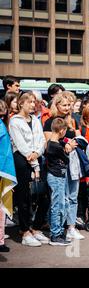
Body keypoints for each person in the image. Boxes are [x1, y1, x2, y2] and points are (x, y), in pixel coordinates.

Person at [9, 93, 49, 247]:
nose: (33, 105)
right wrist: (33, 161)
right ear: (21, 103)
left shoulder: (36, 120)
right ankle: (25, 231)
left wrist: (37, 153)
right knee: (24, 197)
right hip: (22, 160)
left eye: (34, 102)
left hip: (36, 157)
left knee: (42, 195)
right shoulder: (15, 121)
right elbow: (20, 145)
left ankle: (35, 228)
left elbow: (41, 140)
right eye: (30, 102)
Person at [46, 118, 72, 246]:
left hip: (58, 176)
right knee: (57, 205)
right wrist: (68, 150)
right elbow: (66, 159)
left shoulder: (53, 143)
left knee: (60, 204)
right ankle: (55, 234)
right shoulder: (55, 146)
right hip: (56, 177)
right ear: (62, 131)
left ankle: (59, 232)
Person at [0, 100, 17, 253]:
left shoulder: (3, 125)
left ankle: (0, 240)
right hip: (2, 170)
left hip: (3, 171)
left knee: (1, 208)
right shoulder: (2, 126)